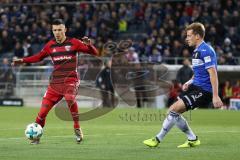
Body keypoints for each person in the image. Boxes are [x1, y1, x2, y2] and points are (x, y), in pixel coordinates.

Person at [12, 19, 98, 144]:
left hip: (71, 80)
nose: (57, 32)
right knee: (42, 113)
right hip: (55, 84)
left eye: (59, 30)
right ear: (52, 31)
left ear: (65, 30)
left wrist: (89, 45)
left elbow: (95, 53)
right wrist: (21, 60)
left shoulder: (74, 43)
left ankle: (77, 127)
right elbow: (37, 57)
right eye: (55, 30)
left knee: (69, 98)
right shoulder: (49, 45)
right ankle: (36, 136)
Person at [143, 22, 223, 148]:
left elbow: (213, 73)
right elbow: (199, 72)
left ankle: (157, 139)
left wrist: (215, 96)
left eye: (189, 35)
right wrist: (189, 81)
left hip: (204, 90)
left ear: (197, 36)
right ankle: (192, 139)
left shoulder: (206, 50)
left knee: (174, 110)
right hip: (195, 87)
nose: (187, 38)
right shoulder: (196, 51)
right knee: (172, 111)